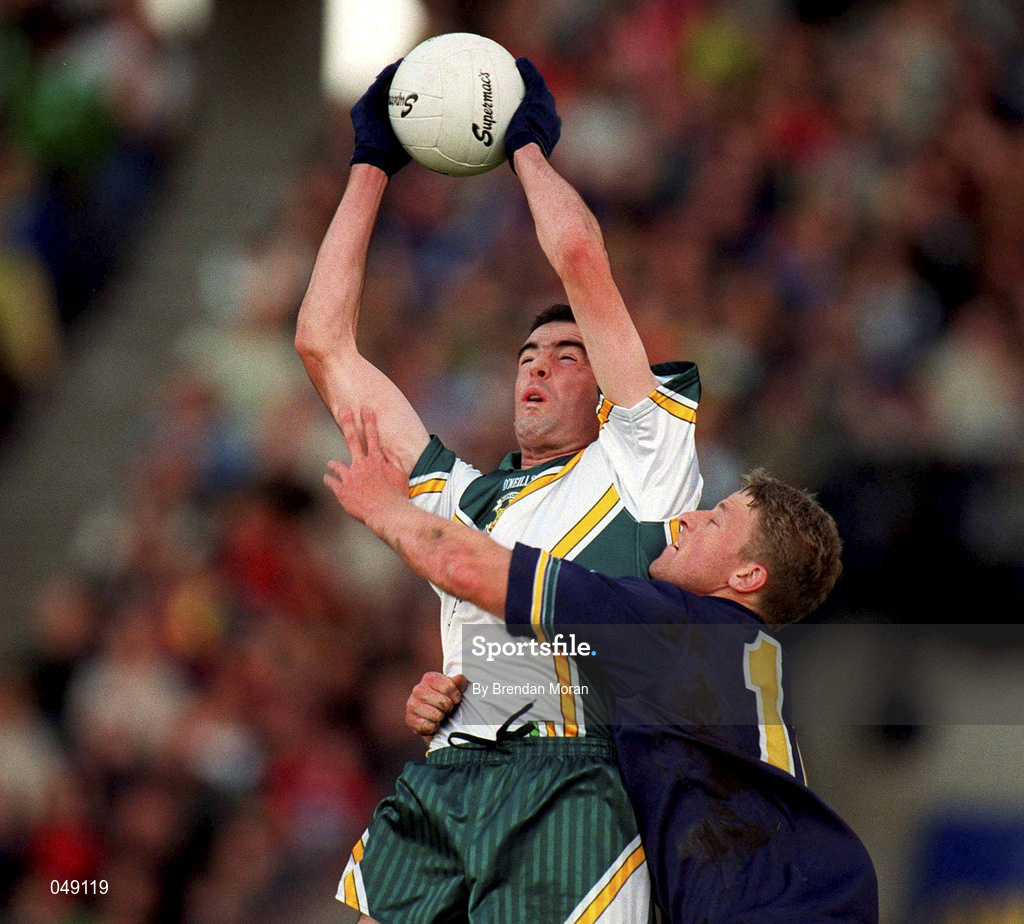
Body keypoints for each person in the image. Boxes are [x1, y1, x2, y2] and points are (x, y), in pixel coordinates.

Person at [296, 58, 702, 922]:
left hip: (576, 785)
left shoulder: (642, 463)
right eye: (526, 356)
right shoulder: (465, 500)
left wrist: (525, 147)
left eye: (567, 356)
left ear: (607, 390)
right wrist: (370, 164)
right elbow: (324, 344)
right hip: (452, 775)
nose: (539, 368)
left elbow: (582, 256)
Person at [325, 410, 879, 924]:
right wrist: (461, 699)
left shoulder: (671, 628)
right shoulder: (733, 654)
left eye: (716, 521)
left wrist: (379, 504)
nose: (688, 518)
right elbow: (572, 666)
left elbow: (464, 565)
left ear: (746, 577)